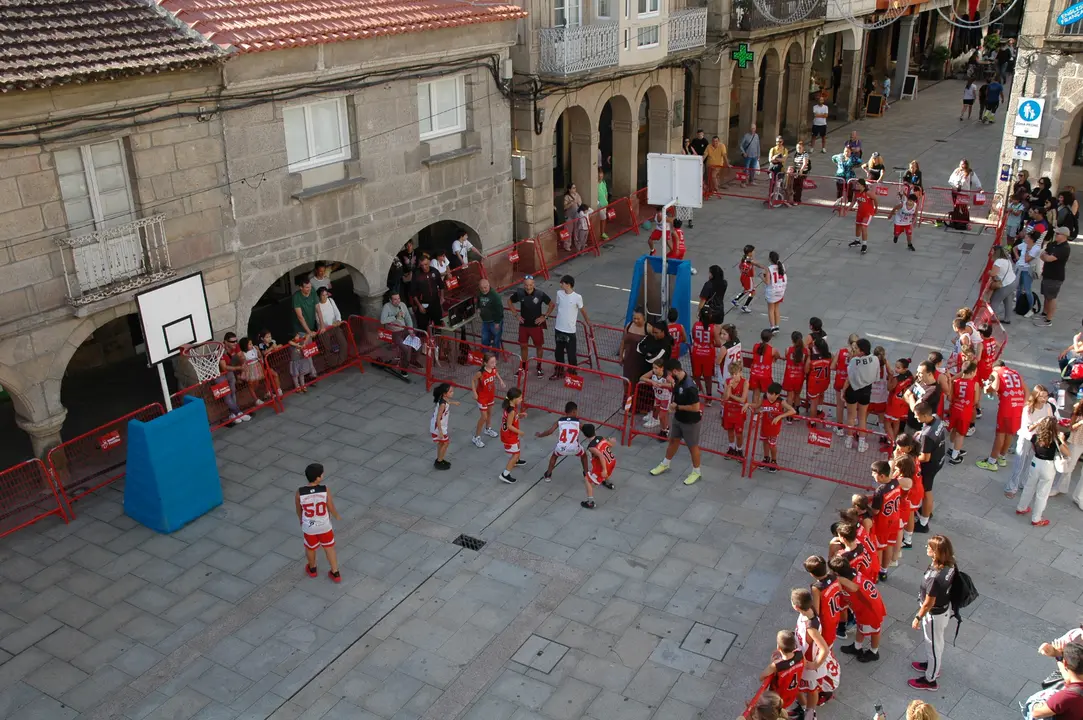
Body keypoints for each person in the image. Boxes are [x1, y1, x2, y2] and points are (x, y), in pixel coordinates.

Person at [910, 534, 956, 691]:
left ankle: (930, 680)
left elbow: (929, 602)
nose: (926, 548)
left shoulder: (936, 577)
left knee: (933, 647)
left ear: (937, 552)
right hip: (943, 610)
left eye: (929, 547)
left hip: (934, 615)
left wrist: (918, 617)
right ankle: (932, 666)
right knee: (936, 643)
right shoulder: (950, 564)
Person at [650, 359, 704, 485]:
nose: (667, 376)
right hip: (678, 418)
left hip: (690, 422)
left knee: (693, 447)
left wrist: (677, 407)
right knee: (673, 440)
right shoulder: (677, 381)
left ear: (674, 371)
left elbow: (696, 408)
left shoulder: (690, 386)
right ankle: (665, 464)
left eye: (668, 373)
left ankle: (696, 472)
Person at [791, 588, 838, 720]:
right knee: (800, 688)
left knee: (810, 690)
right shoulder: (808, 613)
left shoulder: (811, 627)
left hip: (808, 663)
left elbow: (824, 648)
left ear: (796, 606)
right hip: (802, 659)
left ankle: (810, 714)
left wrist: (814, 664)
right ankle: (805, 709)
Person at [829, 555, 887, 662]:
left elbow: (855, 587)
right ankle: (857, 647)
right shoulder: (852, 572)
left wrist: (837, 579)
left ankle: (874, 652)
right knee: (861, 628)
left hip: (870, 611)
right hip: (864, 609)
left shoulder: (849, 582)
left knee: (875, 631)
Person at [1016, 416, 1067, 527]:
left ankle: (1021, 507)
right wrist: (1062, 440)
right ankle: (1036, 519)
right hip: (1048, 466)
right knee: (1042, 494)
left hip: (1035, 462)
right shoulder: (1055, 440)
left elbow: (1033, 447)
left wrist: (1036, 424)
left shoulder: (1035, 437)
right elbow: (1068, 453)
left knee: (1029, 486)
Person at [977, 361, 1028, 471]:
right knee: (1009, 432)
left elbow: (994, 387)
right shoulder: (1015, 373)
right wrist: (1022, 404)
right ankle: (1002, 457)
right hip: (1018, 405)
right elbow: (1026, 391)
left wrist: (986, 389)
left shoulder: (996, 372)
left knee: (1000, 433)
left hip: (1007, 406)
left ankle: (991, 461)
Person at [296, 463, 342, 583]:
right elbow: (330, 506)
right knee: (329, 548)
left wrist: (302, 520)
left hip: (309, 527)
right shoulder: (324, 489)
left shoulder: (300, 492)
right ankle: (335, 572)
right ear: (318, 478)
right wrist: (336, 516)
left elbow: (299, 509)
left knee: (310, 548)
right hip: (324, 526)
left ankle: (312, 569)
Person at [508, 276, 552, 378]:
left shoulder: (540, 294)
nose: (528, 287)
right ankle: (523, 367)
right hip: (523, 325)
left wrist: (544, 316)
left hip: (536, 326)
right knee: (523, 346)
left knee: (539, 347)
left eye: (530, 285)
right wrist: (516, 315)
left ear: (534, 284)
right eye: (526, 285)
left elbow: (551, 305)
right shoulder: (519, 293)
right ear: (524, 285)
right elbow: (509, 301)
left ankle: (539, 367)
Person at [912, 402, 947, 534]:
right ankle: (926, 512)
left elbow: (924, 457)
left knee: (927, 493)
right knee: (927, 491)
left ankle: (923, 523)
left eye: (917, 416)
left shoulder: (927, 435)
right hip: (939, 459)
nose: (916, 418)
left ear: (925, 415)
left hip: (929, 465)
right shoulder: (936, 419)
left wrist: (910, 456)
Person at [536, 401, 589, 482]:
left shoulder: (560, 421)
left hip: (561, 448)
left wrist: (540, 435)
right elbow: (587, 432)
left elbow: (550, 432)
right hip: (575, 448)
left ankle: (548, 475)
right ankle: (586, 474)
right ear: (574, 411)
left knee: (554, 456)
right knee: (584, 455)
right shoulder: (578, 422)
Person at [1029, 642, 1083, 720]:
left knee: (1033, 702)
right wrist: (1059, 657)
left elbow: (1036, 713)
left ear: (1065, 663)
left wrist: (1037, 703)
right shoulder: (1076, 689)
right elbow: (1069, 679)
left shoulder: (1066, 697)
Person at [843, 338, 880, 451]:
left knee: (851, 416)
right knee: (862, 417)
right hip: (866, 390)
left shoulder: (854, 361)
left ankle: (849, 440)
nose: (854, 350)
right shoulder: (875, 359)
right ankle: (861, 443)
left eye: (856, 349)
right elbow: (876, 376)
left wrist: (843, 390)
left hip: (853, 390)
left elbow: (850, 375)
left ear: (862, 351)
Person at [758, 630, 804, 716]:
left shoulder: (777, 665)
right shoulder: (800, 655)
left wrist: (772, 663)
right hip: (792, 693)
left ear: (779, 647)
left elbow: (761, 677)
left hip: (778, 698)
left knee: (775, 713)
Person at [752, 382, 795, 471]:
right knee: (765, 442)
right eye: (768, 392)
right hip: (764, 426)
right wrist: (748, 404)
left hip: (774, 429)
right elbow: (756, 406)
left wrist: (780, 416)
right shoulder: (763, 398)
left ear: (777, 395)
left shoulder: (781, 402)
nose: (768, 395)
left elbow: (792, 411)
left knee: (772, 445)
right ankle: (766, 458)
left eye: (771, 394)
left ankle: (774, 461)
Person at [552, 275, 589, 378]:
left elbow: (582, 310)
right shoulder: (559, 293)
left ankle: (572, 373)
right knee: (558, 352)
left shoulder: (577, 297)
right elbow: (559, 306)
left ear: (568, 285)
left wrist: (588, 322)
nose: (560, 285)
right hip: (559, 329)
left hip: (570, 331)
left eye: (562, 283)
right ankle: (559, 371)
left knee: (571, 354)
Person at [945, 354, 978, 464]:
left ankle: (951, 449)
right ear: (973, 372)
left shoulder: (955, 382)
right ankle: (955, 456)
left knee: (954, 429)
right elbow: (976, 401)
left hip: (954, 409)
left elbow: (949, 398)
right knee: (961, 434)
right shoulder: (975, 384)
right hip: (965, 412)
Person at [1036, 226, 1071, 327]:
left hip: (1055, 276)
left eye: (1058, 234)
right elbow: (1043, 254)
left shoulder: (1064, 248)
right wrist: (1045, 256)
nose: (1056, 235)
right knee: (1046, 295)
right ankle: (1044, 313)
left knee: (1051, 297)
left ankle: (1049, 319)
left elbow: (1048, 258)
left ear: (1064, 236)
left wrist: (1045, 256)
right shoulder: (1053, 244)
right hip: (1047, 273)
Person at [380, 292, 421, 376]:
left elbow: (408, 318)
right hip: (393, 332)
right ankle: (404, 368)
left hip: (404, 329)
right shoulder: (386, 307)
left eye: (398, 298)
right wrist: (395, 317)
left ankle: (413, 360)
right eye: (395, 299)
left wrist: (410, 329)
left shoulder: (402, 305)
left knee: (418, 343)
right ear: (390, 300)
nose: (397, 301)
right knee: (405, 349)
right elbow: (382, 320)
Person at [1052, 399, 1083, 507]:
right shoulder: (1078, 408)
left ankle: (1079, 497)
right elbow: (1071, 427)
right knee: (1069, 465)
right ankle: (1059, 487)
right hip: (1077, 441)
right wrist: (1080, 422)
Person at [471, 354, 506, 448]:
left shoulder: (493, 369)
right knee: (484, 417)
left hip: (490, 395)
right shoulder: (481, 373)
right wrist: (474, 392)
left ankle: (488, 429)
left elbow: (496, 373)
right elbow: (473, 381)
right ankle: (476, 437)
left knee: (490, 413)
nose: (494, 364)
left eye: (495, 362)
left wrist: (501, 380)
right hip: (482, 397)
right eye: (492, 362)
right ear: (485, 363)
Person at [580, 423, 617, 509]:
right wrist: (612, 442)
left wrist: (604, 469)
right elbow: (610, 445)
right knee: (604, 471)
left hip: (604, 466)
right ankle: (607, 482)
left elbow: (600, 456)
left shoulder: (591, 447)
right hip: (612, 461)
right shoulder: (601, 438)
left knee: (587, 480)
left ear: (585, 435)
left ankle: (590, 502)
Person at [690, 305, 721, 399]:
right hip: (708, 355)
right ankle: (709, 396)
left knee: (696, 375)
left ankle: (699, 391)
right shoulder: (713, 328)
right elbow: (719, 343)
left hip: (696, 353)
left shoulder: (695, 325)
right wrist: (710, 344)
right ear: (710, 316)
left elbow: (694, 338)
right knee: (708, 377)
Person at [409, 254, 444, 334]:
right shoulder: (417, 274)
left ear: (429, 262)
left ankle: (437, 343)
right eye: (422, 265)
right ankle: (424, 344)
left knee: (438, 324)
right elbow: (413, 292)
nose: (424, 267)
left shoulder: (434, 271)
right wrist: (419, 306)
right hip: (422, 303)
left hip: (435, 302)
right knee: (422, 327)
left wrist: (442, 297)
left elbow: (441, 285)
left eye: (426, 264)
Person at [640, 358, 674, 436]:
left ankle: (665, 429)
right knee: (656, 411)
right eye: (653, 368)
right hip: (657, 397)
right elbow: (642, 377)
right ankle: (658, 422)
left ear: (662, 368)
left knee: (662, 416)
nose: (654, 370)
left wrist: (662, 385)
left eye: (656, 368)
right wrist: (652, 381)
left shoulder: (667, 376)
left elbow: (673, 385)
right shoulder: (653, 373)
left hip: (665, 398)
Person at [499, 388, 526, 484]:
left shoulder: (510, 407)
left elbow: (512, 418)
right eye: (519, 398)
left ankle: (516, 461)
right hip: (510, 436)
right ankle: (505, 474)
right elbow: (509, 425)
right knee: (515, 454)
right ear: (514, 399)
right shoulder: (512, 411)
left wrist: (519, 415)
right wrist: (519, 431)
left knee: (517, 449)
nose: (521, 400)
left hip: (508, 434)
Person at [722, 360, 749, 456]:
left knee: (739, 433)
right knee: (730, 431)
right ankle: (731, 447)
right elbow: (725, 398)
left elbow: (742, 399)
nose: (734, 376)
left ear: (740, 372)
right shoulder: (727, 382)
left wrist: (731, 396)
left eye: (736, 374)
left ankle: (739, 449)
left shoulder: (745, 382)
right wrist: (729, 387)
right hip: (729, 410)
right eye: (732, 374)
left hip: (739, 412)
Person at [1014, 228, 1042, 316]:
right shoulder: (1024, 244)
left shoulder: (1035, 249)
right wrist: (1017, 257)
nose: (1025, 238)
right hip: (1020, 267)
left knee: (1027, 289)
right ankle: (1018, 305)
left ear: (1031, 239)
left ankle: (1030, 309)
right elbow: (1015, 248)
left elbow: (1027, 259)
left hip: (1028, 270)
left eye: (1027, 237)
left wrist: (1027, 250)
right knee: (1019, 288)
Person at [986, 245, 1017, 323]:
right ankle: (1007, 319)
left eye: (992, 251)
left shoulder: (998, 261)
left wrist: (989, 272)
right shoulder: (1007, 260)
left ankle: (992, 318)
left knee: (994, 300)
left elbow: (993, 273)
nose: (991, 252)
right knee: (1008, 301)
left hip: (1006, 284)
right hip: (1013, 282)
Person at [749, 328, 781, 405]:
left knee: (756, 393)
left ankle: (754, 413)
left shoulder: (755, 346)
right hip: (765, 375)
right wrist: (773, 359)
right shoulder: (772, 350)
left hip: (755, 373)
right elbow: (778, 356)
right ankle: (766, 409)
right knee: (769, 394)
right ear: (770, 339)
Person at [430, 383, 456, 469]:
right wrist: (440, 431)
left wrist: (454, 403)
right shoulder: (442, 405)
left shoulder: (444, 399)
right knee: (446, 443)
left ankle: (440, 459)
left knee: (442, 443)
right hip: (439, 427)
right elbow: (438, 417)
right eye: (450, 391)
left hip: (441, 426)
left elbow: (448, 401)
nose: (453, 392)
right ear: (445, 393)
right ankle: (439, 461)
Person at [848, 179, 877, 254]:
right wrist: (848, 208)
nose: (856, 186)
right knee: (858, 226)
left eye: (858, 185)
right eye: (856, 184)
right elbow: (854, 201)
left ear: (863, 185)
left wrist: (876, 208)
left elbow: (875, 199)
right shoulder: (856, 192)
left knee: (864, 227)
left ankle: (864, 244)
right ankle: (857, 240)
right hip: (860, 212)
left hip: (868, 213)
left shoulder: (868, 193)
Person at [731, 244, 763, 312]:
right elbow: (756, 264)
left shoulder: (744, 258)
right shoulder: (749, 260)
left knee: (746, 290)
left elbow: (740, 266)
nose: (754, 252)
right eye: (753, 251)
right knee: (753, 292)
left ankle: (735, 299)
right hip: (748, 278)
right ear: (749, 253)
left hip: (743, 276)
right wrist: (763, 267)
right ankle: (745, 306)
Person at [782, 331, 807, 413]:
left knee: (790, 395)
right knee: (797, 395)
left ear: (792, 340)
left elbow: (787, 357)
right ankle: (796, 412)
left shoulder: (788, 350)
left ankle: (789, 415)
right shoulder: (805, 351)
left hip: (789, 376)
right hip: (799, 377)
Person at [477, 278, 503, 350]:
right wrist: (478, 308)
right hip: (485, 321)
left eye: (485, 287)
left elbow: (500, 310)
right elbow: (478, 301)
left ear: (489, 286)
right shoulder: (480, 293)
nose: (483, 290)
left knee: (496, 340)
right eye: (481, 288)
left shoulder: (495, 296)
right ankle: (485, 357)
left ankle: (495, 357)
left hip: (494, 322)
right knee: (484, 339)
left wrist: (497, 322)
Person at [764, 252, 787, 334]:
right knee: (777, 309)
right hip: (780, 290)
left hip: (772, 291)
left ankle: (772, 327)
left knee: (771, 309)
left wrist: (761, 277)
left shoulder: (769, 268)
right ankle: (777, 326)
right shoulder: (782, 266)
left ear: (770, 259)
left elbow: (767, 282)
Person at [789, 140, 811, 205]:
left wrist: (801, 171)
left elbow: (805, 163)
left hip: (802, 172)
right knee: (794, 185)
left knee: (798, 186)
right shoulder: (796, 154)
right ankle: (794, 199)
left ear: (803, 148)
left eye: (800, 148)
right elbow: (794, 163)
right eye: (797, 148)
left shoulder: (805, 154)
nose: (798, 149)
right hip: (796, 171)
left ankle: (797, 200)